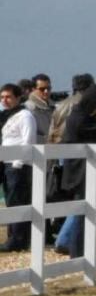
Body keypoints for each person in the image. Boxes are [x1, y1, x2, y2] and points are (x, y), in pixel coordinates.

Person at [55, 84, 96, 258]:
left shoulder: (82, 115)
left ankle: (78, 250)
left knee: (84, 213)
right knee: (81, 214)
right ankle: (76, 251)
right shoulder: (79, 118)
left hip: (84, 171)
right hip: (80, 172)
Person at [1, 84, 37, 252]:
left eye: (8, 97)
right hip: (5, 163)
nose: (4, 100)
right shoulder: (6, 116)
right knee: (10, 200)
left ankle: (18, 239)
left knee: (18, 201)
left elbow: (28, 140)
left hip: (19, 165)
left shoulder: (25, 115)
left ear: (17, 97)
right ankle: (13, 237)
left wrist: (18, 163)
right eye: (2, 97)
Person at [48, 73, 94, 144]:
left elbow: (51, 132)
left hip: (60, 148)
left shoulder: (61, 105)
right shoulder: (92, 104)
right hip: (83, 148)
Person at [25, 74, 54, 144]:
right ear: (33, 89)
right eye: (42, 89)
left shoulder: (54, 107)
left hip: (54, 150)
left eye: (48, 88)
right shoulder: (27, 109)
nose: (46, 91)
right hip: (37, 151)